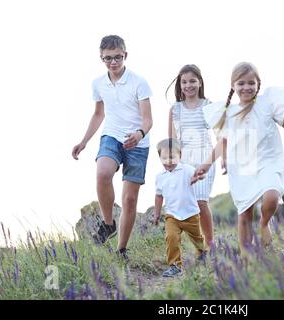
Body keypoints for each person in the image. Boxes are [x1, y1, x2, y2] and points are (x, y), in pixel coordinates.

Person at [195, 62, 284, 253]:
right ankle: (245, 256)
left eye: (251, 83)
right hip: (243, 166)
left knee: (272, 196)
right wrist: (206, 164)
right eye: (241, 83)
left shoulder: (267, 104)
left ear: (258, 84)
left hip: (269, 160)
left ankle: (264, 222)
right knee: (244, 212)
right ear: (233, 86)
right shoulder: (230, 114)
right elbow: (223, 143)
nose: (246, 87)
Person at [72, 35, 153, 260]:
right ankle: (108, 224)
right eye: (108, 58)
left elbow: (147, 120)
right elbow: (99, 114)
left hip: (138, 142)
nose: (113, 62)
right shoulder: (98, 84)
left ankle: (121, 249)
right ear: (102, 59)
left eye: (117, 57)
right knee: (103, 172)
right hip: (112, 136)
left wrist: (139, 134)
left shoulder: (139, 82)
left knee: (129, 200)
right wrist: (84, 141)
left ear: (125, 55)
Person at [166, 64, 215, 248]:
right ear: (180, 84)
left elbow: (220, 134)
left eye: (192, 81)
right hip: (183, 160)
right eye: (184, 82)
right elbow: (172, 139)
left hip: (204, 156)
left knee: (201, 202)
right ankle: (199, 246)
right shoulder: (175, 109)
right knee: (188, 204)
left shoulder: (208, 106)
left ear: (200, 82)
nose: (188, 85)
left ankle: (211, 245)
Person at [154, 138, 206, 277]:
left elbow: (199, 175)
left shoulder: (186, 170)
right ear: (159, 158)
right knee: (171, 237)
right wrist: (157, 213)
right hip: (172, 216)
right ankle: (175, 265)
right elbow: (159, 196)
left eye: (172, 157)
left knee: (197, 239)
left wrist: (199, 176)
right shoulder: (160, 177)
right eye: (164, 158)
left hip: (190, 214)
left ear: (180, 156)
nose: (168, 161)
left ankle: (203, 254)